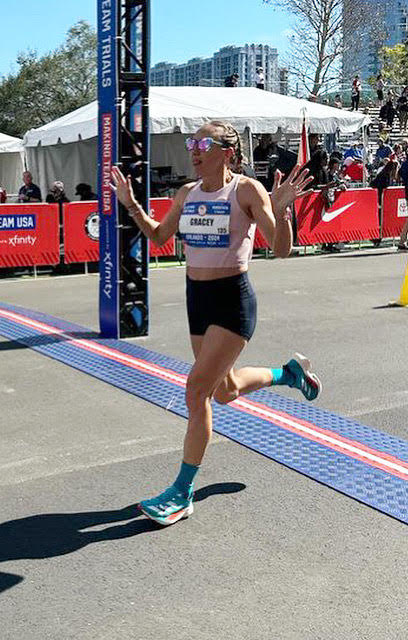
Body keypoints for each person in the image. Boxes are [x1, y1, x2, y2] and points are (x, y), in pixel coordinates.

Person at [110, 121, 321, 526]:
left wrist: (281, 210)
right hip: (198, 302)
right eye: (192, 142)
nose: (194, 149)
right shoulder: (186, 193)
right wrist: (131, 203)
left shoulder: (245, 190)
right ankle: (289, 373)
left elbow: (280, 251)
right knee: (222, 391)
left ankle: (181, 492)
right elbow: (159, 237)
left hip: (232, 302)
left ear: (227, 151)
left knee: (195, 391)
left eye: (203, 142)